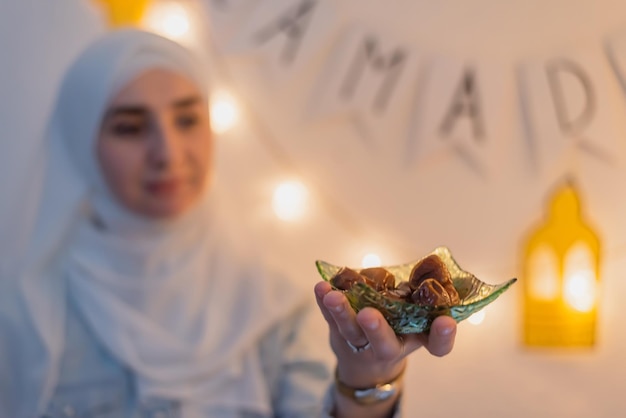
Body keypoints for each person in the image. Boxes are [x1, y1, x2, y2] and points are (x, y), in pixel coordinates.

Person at [0, 28, 456, 417]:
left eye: (187, 119)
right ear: (81, 143)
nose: (169, 153)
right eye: (130, 127)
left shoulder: (268, 304)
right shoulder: (26, 312)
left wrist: (365, 380)